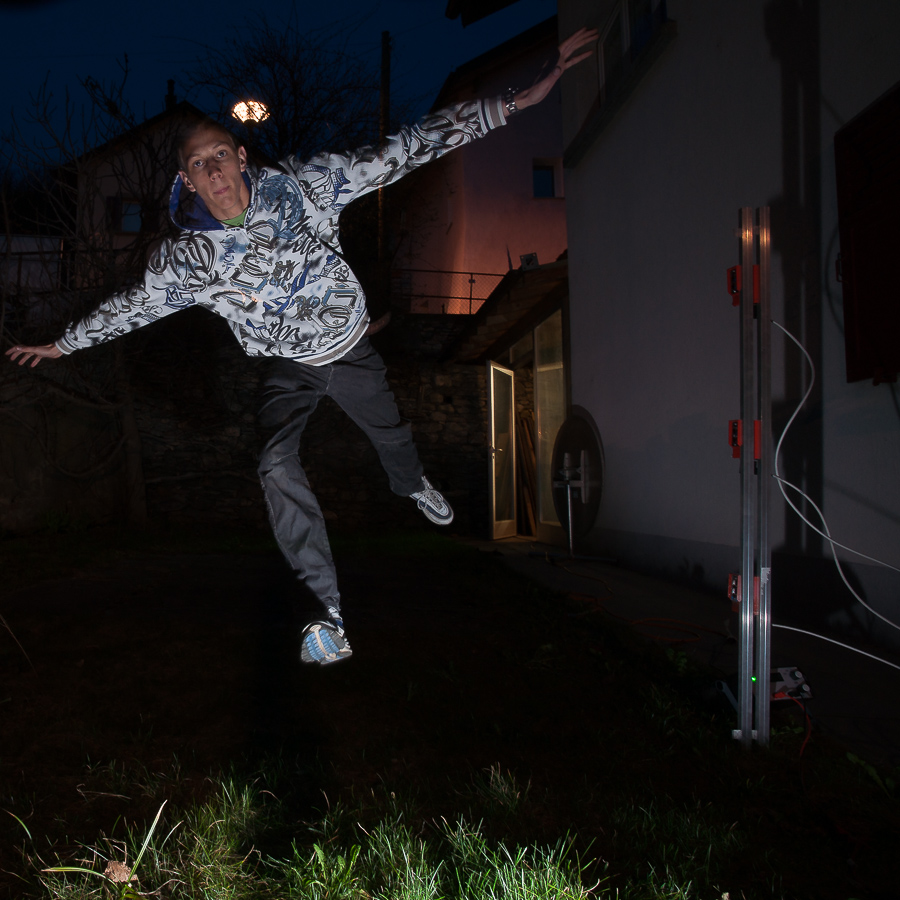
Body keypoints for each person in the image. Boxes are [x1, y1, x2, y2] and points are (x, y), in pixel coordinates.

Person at [6, 28, 597, 665]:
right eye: (199, 165)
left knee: (393, 437)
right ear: (188, 180)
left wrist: (513, 102)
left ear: (240, 156)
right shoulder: (187, 262)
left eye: (221, 156)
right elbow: (133, 306)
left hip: (349, 346)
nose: (215, 172)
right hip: (285, 365)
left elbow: (407, 148)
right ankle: (328, 612)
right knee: (273, 463)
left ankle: (412, 485)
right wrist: (65, 343)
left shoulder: (306, 187)